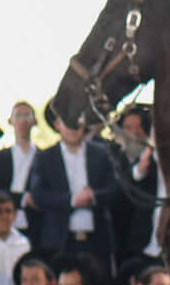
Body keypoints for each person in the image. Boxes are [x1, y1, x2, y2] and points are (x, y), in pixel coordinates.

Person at [25, 114, 120, 276]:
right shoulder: (44, 157)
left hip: (96, 240)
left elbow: (116, 189)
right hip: (60, 240)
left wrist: (93, 196)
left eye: (77, 124)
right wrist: (72, 200)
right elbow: (38, 195)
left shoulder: (101, 154)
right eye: (68, 123)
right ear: (57, 125)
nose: (73, 129)